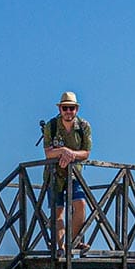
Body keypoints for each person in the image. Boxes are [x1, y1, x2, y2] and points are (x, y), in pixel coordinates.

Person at [41, 92, 92, 253]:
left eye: (71, 108)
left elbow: (86, 153)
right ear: (60, 109)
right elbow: (48, 153)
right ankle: (62, 249)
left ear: (76, 109)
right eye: (65, 108)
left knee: (81, 205)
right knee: (58, 211)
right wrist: (63, 151)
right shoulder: (52, 125)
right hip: (54, 174)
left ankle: (73, 241)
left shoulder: (84, 126)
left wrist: (70, 154)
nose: (68, 111)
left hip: (74, 174)